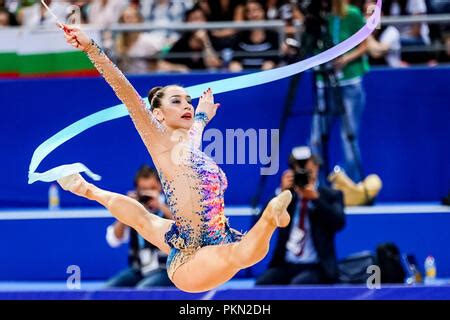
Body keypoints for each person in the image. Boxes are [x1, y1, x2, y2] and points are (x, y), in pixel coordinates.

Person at [57, 23, 293, 293]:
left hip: (205, 238)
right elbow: (123, 89)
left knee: (145, 221)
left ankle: (84, 188)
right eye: (176, 101)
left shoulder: (189, 146)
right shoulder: (158, 140)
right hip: (190, 260)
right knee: (239, 254)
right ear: (158, 114)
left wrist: (203, 115)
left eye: (187, 101)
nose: (186, 105)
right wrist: (89, 47)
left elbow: (195, 134)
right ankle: (270, 218)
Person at [256, 146, 346, 285]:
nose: (304, 174)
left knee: (298, 285)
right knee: (263, 283)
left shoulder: (330, 195)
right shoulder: (286, 197)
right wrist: (280, 192)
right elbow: (260, 222)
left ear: (317, 167)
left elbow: (339, 223)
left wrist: (315, 199)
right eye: (299, 170)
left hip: (317, 267)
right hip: (286, 264)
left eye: (308, 171)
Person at [309, 0, 369, 183]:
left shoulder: (353, 14)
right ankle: (313, 185)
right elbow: (313, 47)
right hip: (324, 83)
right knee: (315, 138)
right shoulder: (320, 16)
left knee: (348, 137)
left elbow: (365, 45)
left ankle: (353, 185)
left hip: (350, 81)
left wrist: (345, 59)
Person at [105, 165, 174, 288]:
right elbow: (114, 239)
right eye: (144, 189)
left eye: (152, 188)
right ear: (137, 189)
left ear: (160, 186)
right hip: (139, 270)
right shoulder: (134, 210)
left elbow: (185, 229)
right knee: (107, 291)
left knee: (142, 290)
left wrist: (160, 205)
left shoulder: (171, 205)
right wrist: (127, 209)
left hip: (166, 269)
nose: (148, 193)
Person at [229, 0, 281, 72]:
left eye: (256, 10)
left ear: (263, 11)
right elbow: (235, 59)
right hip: (244, 76)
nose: (252, 14)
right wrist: (235, 66)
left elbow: (277, 59)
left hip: (267, 76)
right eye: (248, 11)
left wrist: (271, 63)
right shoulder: (240, 36)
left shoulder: (273, 35)